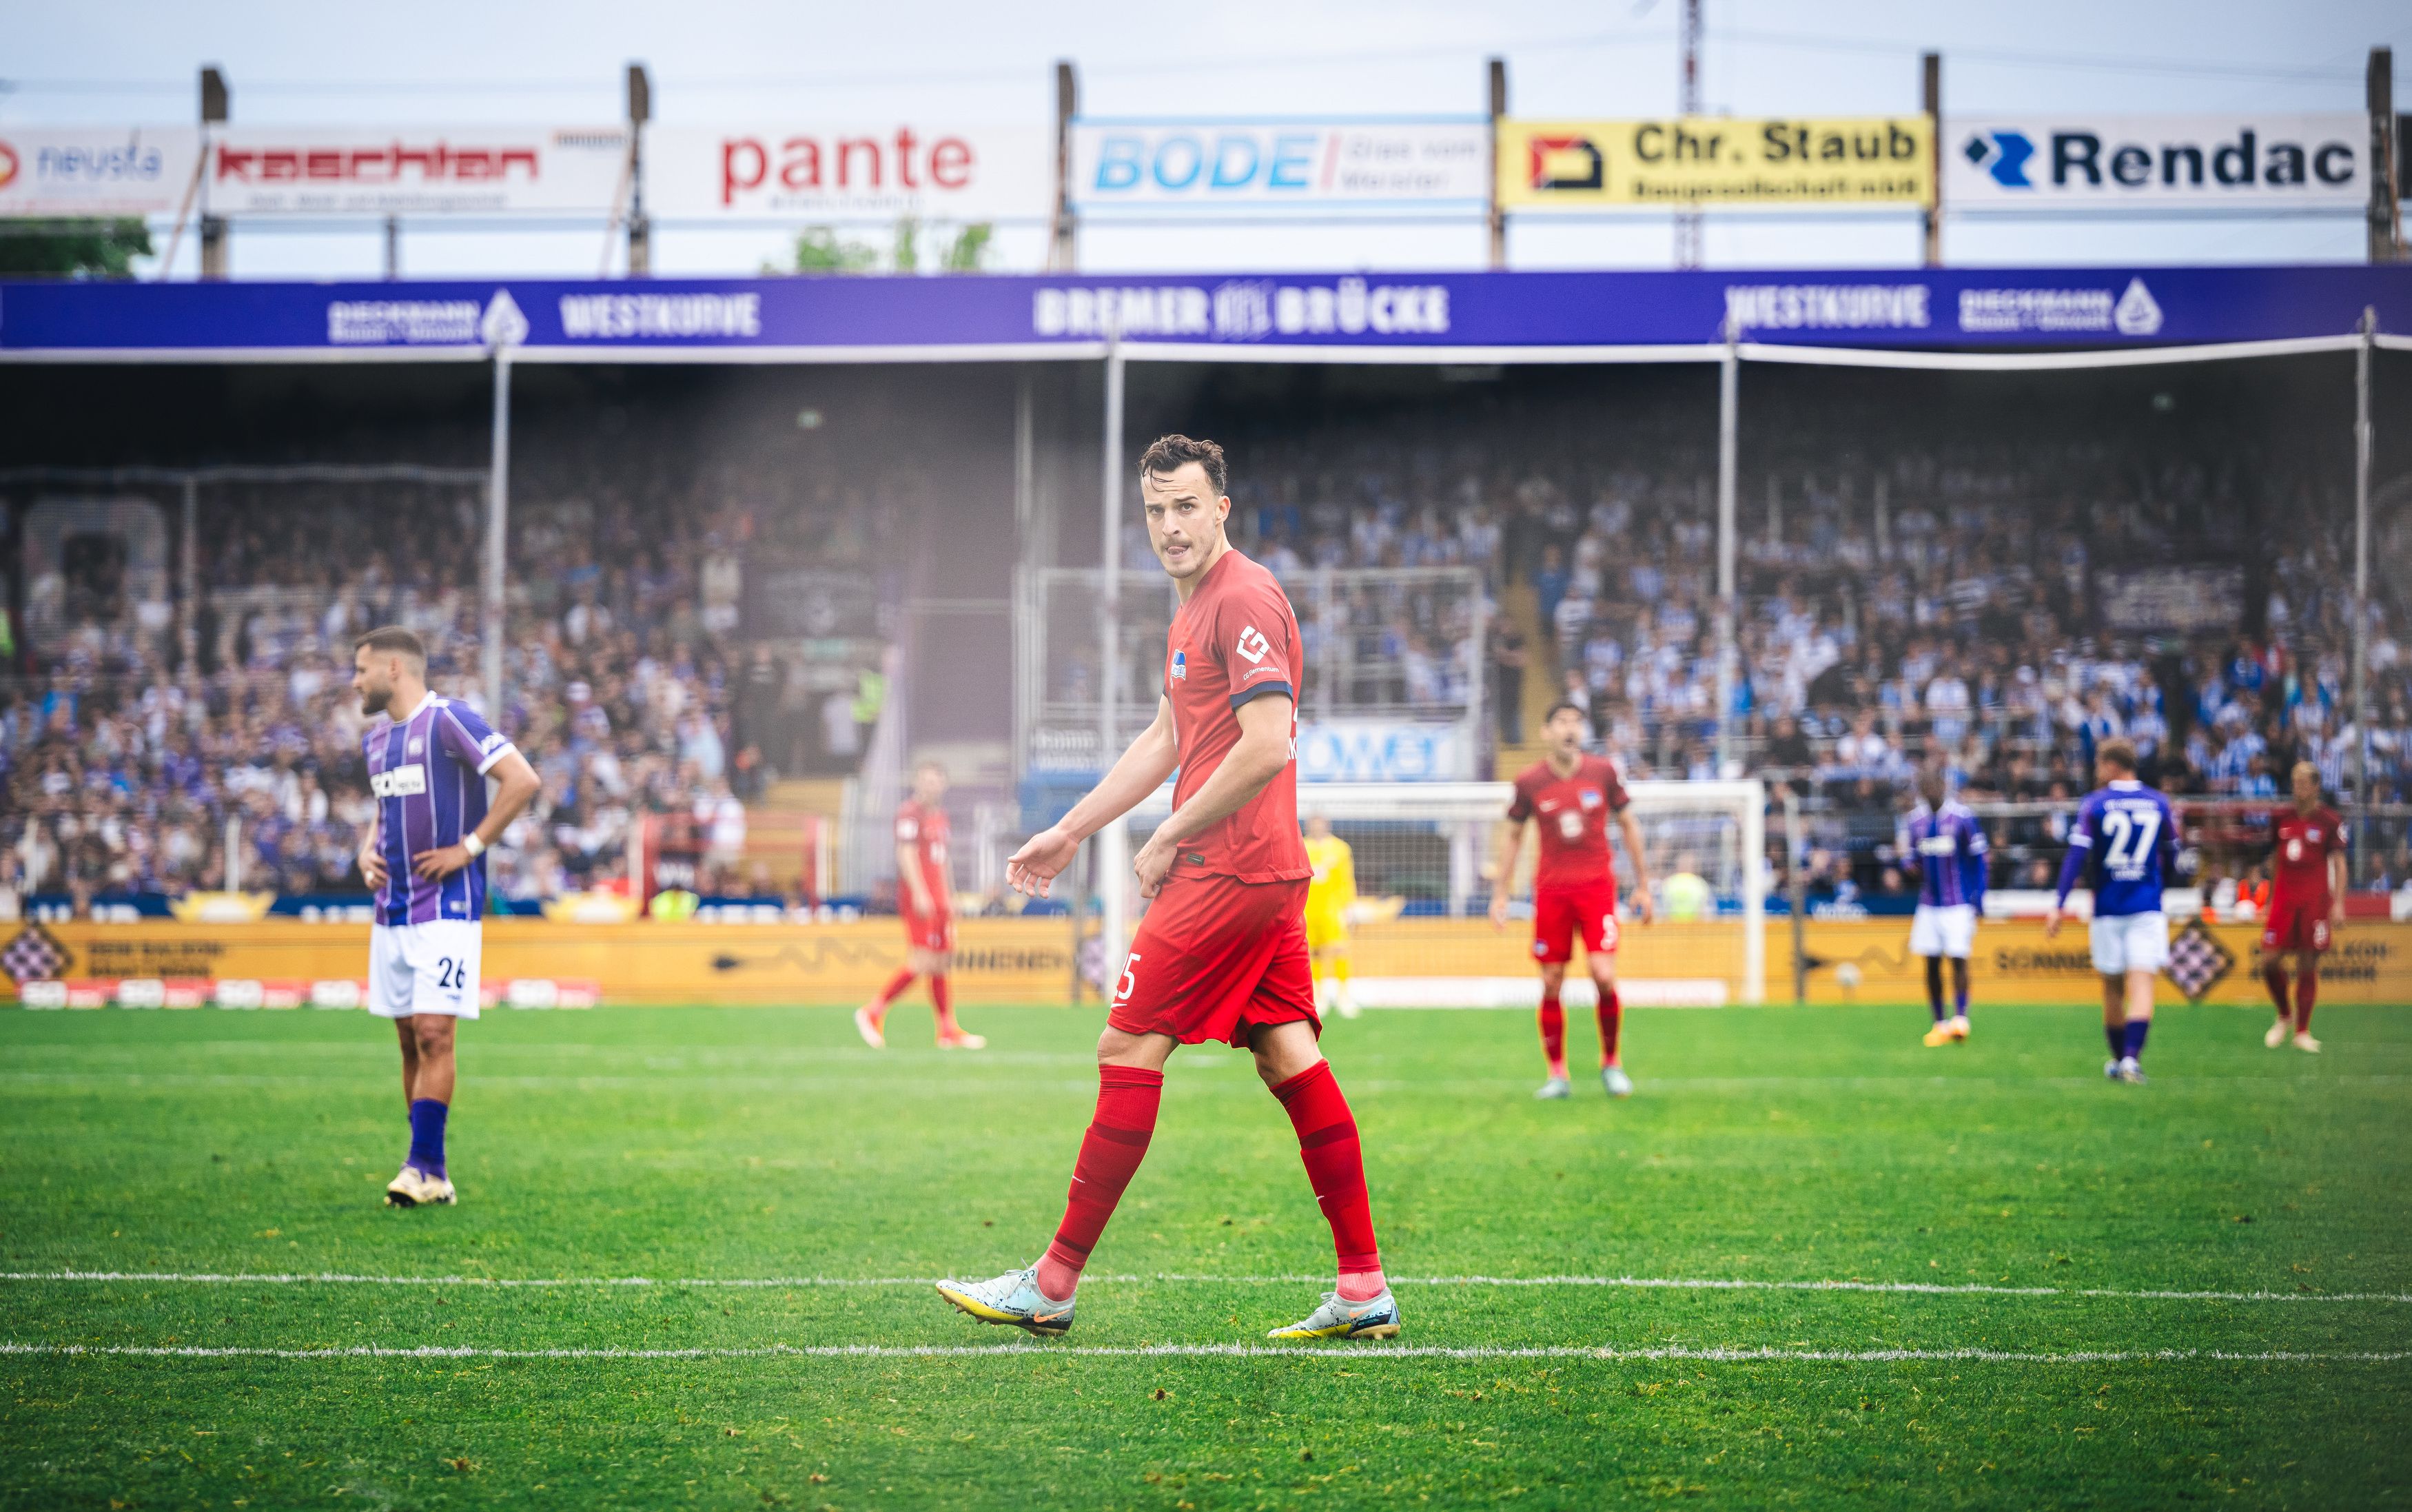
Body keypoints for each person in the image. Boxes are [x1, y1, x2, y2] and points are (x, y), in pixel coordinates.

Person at [937, 434, 1396, 1342]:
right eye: (1155, 510)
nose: (1170, 525)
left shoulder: (1244, 597)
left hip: (1228, 867)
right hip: (1261, 870)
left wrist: (1171, 834)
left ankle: (1055, 1281)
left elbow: (1269, 743)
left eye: (1187, 506)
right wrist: (1073, 828)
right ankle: (1362, 1286)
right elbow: (1166, 738)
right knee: (1288, 1054)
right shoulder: (1191, 611)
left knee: (1126, 1047)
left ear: (1222, 508)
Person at [349, 626, 541, 1207]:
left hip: (447, 911)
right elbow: (386, 810)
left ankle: (420, 1167)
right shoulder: (377, 741)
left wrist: (470, 848)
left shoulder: (449, 719)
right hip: (393, 911)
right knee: (410, 1042)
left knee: (436, 1033)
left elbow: (522, 779)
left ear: (393, 670)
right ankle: (432, 1172)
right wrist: (365, 848)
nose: (355, 682)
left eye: (361, 670)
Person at [1489, 699, 1655, 1101]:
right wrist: (1500, 891)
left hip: (1597, 889)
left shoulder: (1604, 773)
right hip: (1551, 893)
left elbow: (1629, 825)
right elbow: (1513, 835)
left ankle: (1612, 1063)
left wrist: (1644, 885)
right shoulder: (1529, 781)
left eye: (1577, 722)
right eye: (1562, 721)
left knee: (1603, 975)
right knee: (1551, 981)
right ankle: (1558, 1074)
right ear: (1546, 732)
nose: (1570, 729)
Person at [2045, 737, 2174, 1086]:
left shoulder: (2096, 805)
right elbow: (2173, 853)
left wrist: (2059, 904)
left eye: (2100, 765)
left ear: (2112, 765)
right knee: (2143, 982)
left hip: (2108, 906)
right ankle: (2131, 1059)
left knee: (2113, 988)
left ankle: (2121, 1059)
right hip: (2146, 904)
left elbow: (2076, 856)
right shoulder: (2158, 803)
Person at [855, 759, 984, 1050]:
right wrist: (921, 892)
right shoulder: (909, 813)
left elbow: (943, 860)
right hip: (921, 900)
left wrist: (950, 895)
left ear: (944, 784)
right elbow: (906, 853)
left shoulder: (940, 816)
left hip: (940, 900)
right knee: (922, 960)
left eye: (936, 780)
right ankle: (872, 1011)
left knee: (941, 962)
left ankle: (947, 1030)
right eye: (926, 780)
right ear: (917, 782)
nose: (931, 785)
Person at [2259, 760, 2346, 1054]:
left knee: (2307, 963)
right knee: (2269, 961)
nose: (2298, 789)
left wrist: (2339, 903)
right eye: (2295, 783)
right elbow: (2275, 858)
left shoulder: (2330, 821)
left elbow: (2338, 862)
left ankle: (2302, 1031)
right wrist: (2270, 896)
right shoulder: (2280, 819)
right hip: (2284, 900)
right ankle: (2284, 1015)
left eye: (2303, 783)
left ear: (2316, 786)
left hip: (2314, 901)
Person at [1901, 766, 1988, 1046]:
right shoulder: (1915, 822)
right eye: (1924, 790)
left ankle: (1960, 1019)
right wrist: (1907, 866)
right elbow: (1910, 857)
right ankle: (1939, 1023)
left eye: (1933, 788)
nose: (1929, 794)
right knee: (1931, 964)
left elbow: (1978, 858)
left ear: (1942, 786)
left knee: (1959, 959)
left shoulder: (1963, 818)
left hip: (1958, 903)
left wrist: (1979, 897)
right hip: (1928, 904)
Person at [1302, 813, 1361, 1020]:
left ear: (1326, 825)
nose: (1317, 827)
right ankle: (1319, 997)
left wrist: (1349, 906)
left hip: (1333, 907)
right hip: (1309, 907)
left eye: (1320, 824)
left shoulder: (1340, 848)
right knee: (1314, 952)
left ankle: (1344, 996)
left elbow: (1347, 878)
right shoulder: (1302, 846)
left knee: (1339, 948)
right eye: (1313, 823)